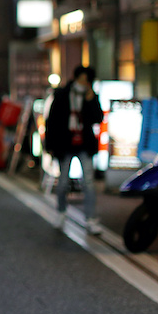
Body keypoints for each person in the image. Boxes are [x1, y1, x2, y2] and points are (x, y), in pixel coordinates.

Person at [45, 65, 104, 235]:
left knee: (89, 184)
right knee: (62, 183)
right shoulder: (62, 95)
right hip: (65, 144)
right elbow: (52, 121)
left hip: (84, 144)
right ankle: (61, 212)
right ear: (76, 78)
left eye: (87, 81)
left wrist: (91, 100)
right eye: (81, 79)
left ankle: (91, 219)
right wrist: (50, 146)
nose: (83, 83)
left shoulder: (90, 96)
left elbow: (98, 119)